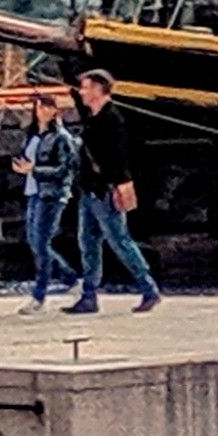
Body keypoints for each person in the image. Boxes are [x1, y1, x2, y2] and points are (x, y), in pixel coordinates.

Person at [64, 68, 161, 315]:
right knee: (88, 243)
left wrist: (116, 185)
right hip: (88, 190)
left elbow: (117, 158)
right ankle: (89, 296)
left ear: (98, 89)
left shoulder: (112, 119)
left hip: (104, 191)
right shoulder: (94, 116)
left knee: (119, 240)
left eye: (86, 87)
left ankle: (148, 288)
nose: (82, 92)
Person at [11, 91, 79, 313]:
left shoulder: (60, 137)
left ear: (55, 111)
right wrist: (23, 168)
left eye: (48, 107)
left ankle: (39, 296)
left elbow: (65, 169)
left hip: (51, 194)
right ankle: (69, 277)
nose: (43, 111)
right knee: (36, 242)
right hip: (33, 191)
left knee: (40, 243)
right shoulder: (33, 135)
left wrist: (35, 170)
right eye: (40, 107)